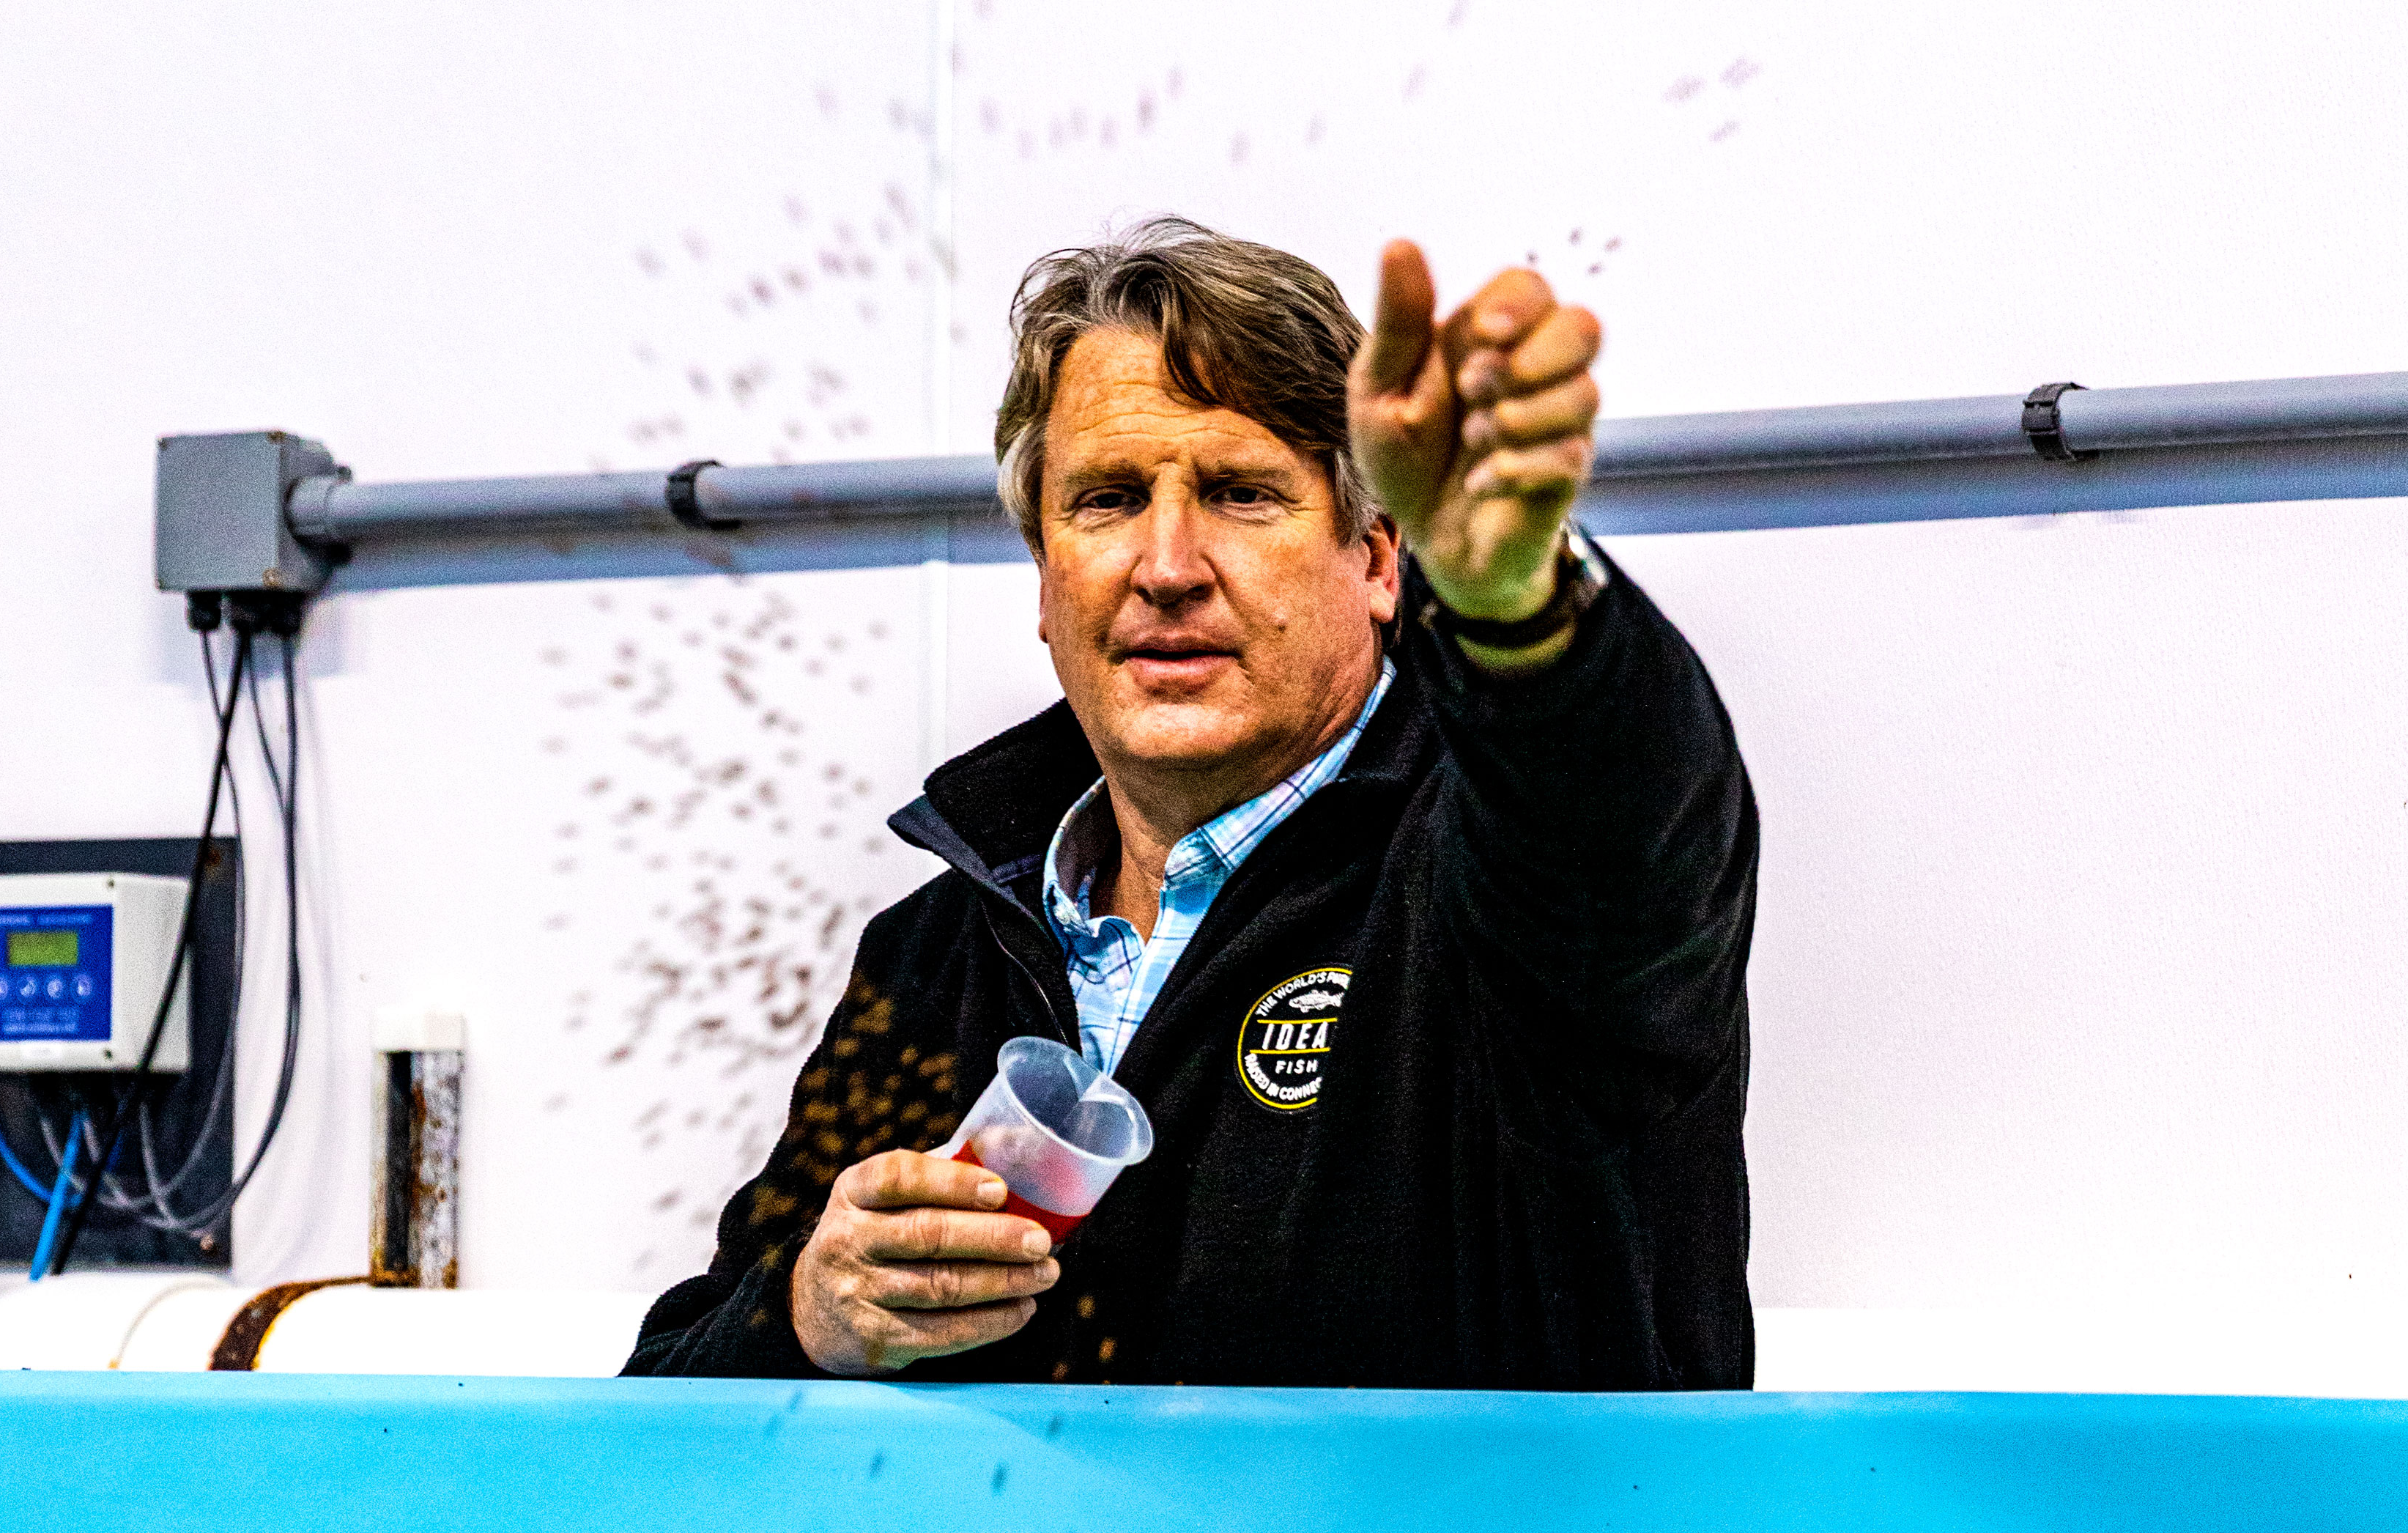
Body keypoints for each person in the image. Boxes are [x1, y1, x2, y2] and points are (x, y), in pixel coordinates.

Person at [623, 217, 1758, 1390]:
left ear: (1378, 562)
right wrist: (807, 1317)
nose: (1167, 564)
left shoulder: (1497, 882)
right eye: (1109, 500)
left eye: (1240, 493)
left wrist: (1520, 611)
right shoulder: (931, 958)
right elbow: (664, 1427)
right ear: (1046, 579)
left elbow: (1623, 825)